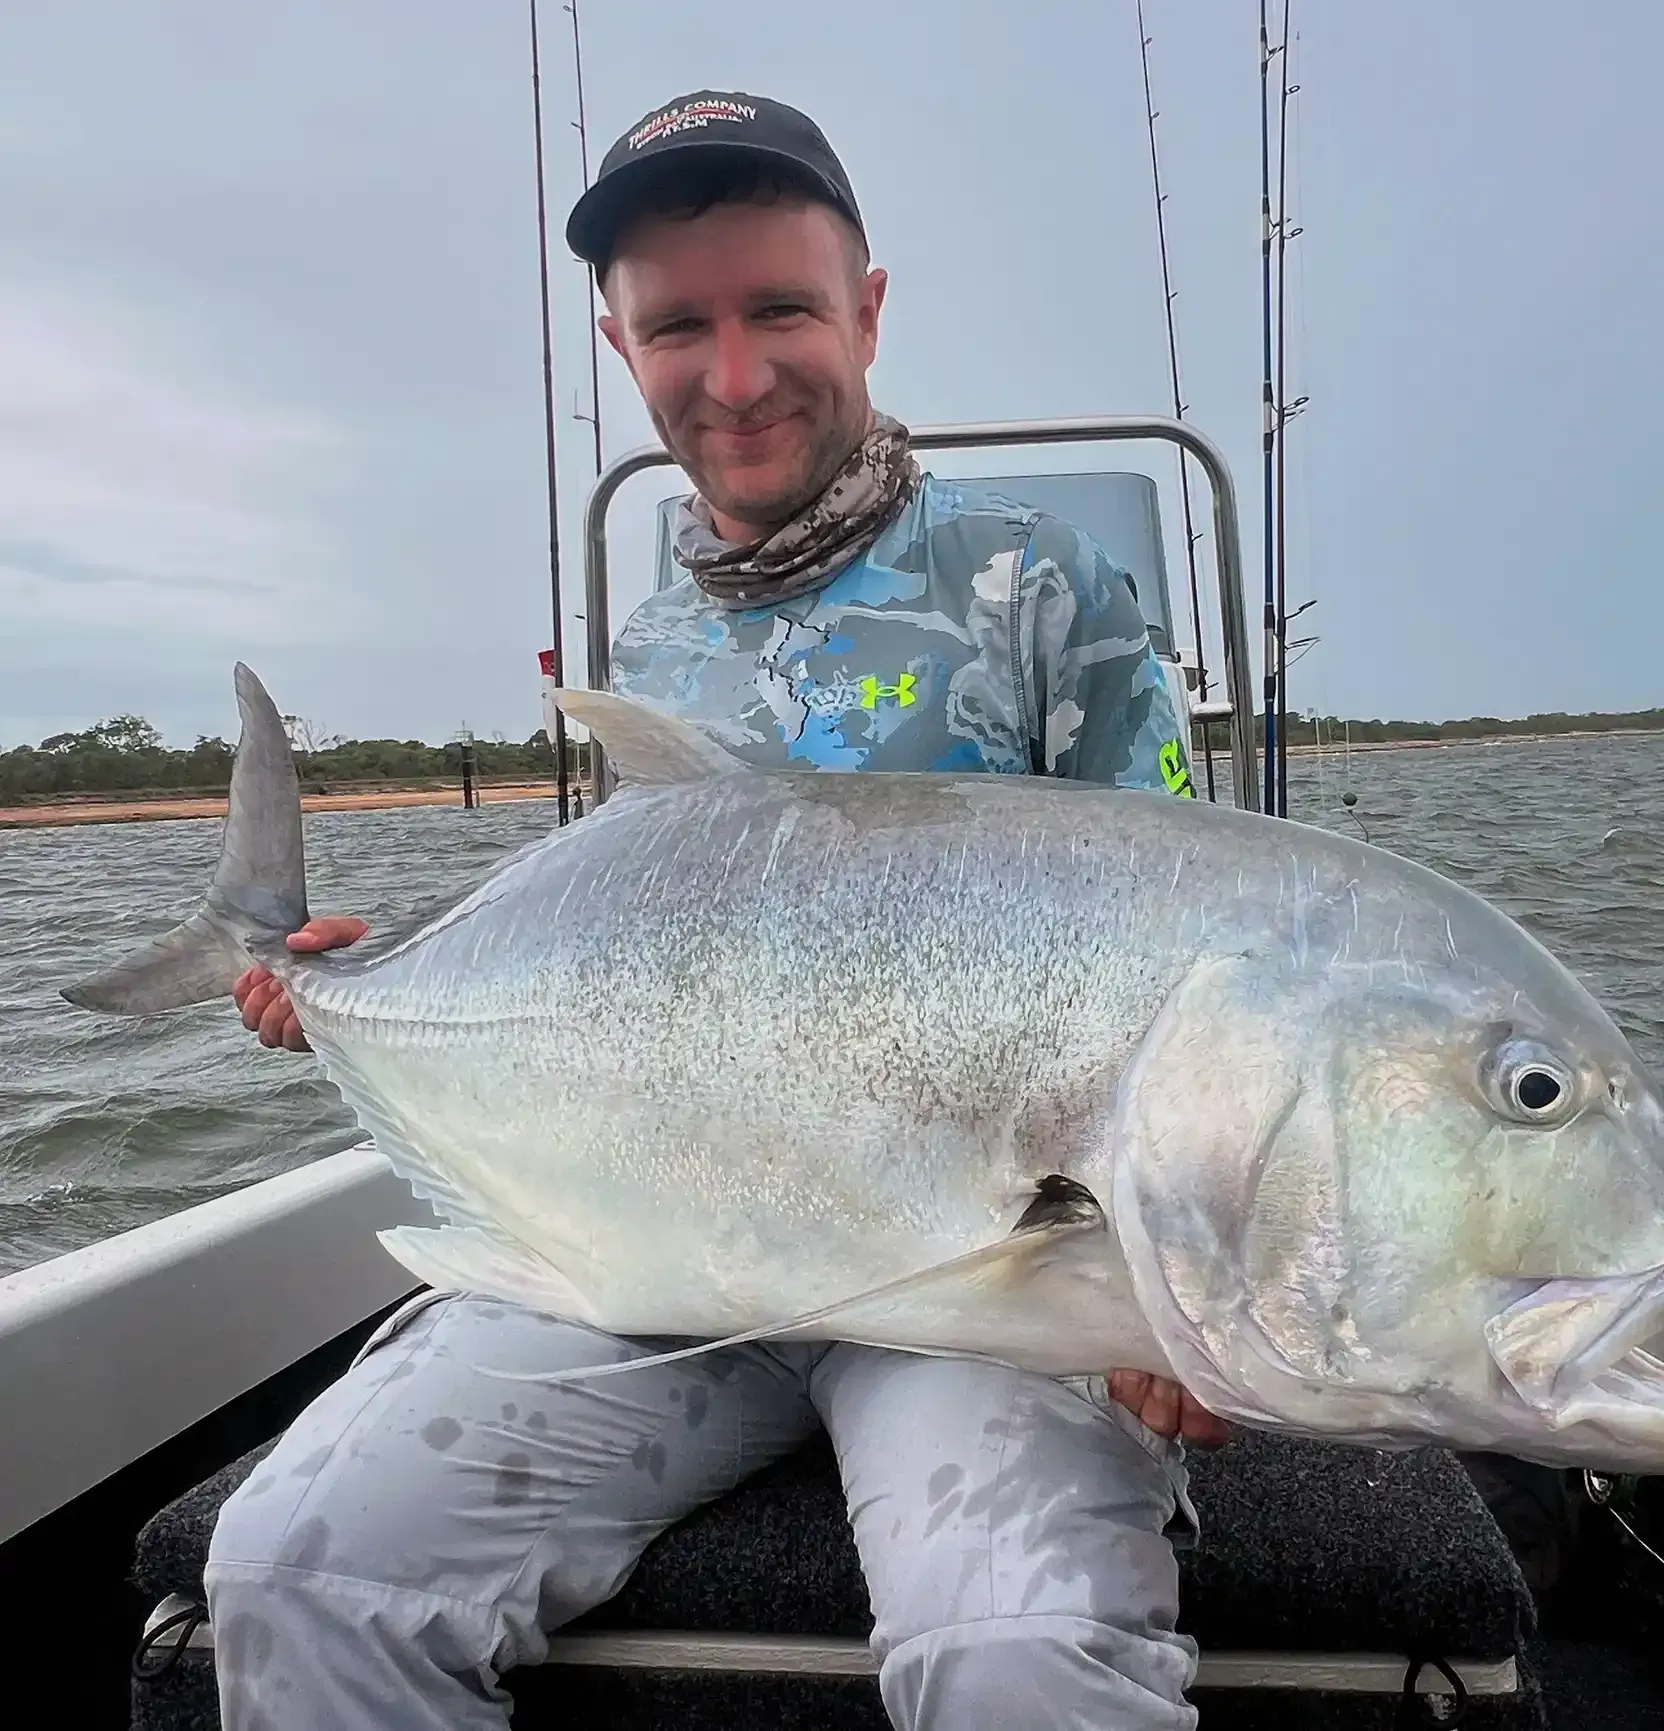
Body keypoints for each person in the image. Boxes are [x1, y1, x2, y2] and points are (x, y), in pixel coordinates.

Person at [209, 90, 1228, 1731]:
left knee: (1022, 1658)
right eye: (680, 324)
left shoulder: (1045, 591)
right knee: (294, 1573)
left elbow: (1191, 993)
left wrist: (1191, 1288)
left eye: (782, 310)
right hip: (663, 1261)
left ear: (871, 309)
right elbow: (604, 965)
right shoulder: (651, 649)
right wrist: (350, 980)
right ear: (624, 347)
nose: (736, 376)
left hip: (984, 1292)